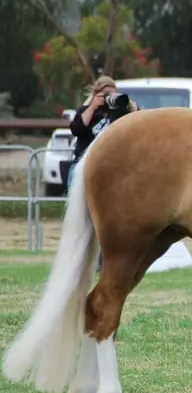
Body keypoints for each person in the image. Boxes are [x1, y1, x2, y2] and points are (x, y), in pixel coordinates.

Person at [68, 75, 139, 271]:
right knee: (84, 217)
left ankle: (103, 259)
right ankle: (78, 259)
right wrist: (92, 107)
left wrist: (130, 108)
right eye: (105, 94)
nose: (109, 98)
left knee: (108, 218)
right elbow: (76, 128)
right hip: (83, 166)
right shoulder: (87, 111)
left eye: (112, 93)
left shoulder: (119, 114)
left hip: (111, 172)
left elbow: (139, 127)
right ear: (96, 94)